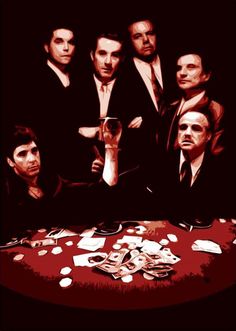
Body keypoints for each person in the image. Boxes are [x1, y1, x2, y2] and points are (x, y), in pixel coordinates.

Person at [1, 121, 122, 242]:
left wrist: (111, 147)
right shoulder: (7, 192)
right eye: (22, 154)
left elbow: (100, 191)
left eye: (34, 151)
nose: (32, 159)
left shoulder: (52, 182)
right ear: (10, 161)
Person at [107, 16, 171, 172]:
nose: (146, 40)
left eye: (150, 33)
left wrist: (147, 120)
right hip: (145, 164)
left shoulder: (175, 65)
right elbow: (118, 128)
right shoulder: (120, 75)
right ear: (129, 41)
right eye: (137, 36)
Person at [75, 31, 125, 177]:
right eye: (102, 53)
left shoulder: (134, 92)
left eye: (115, 55)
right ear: (92, 55)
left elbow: (140, 143)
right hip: (83, 177)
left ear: (121, 59)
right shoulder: (73, 92)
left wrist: (98, 131)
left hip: (122, 175)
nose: (108, 61)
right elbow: (64, 138)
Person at [162, 51, 225, 156]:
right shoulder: (168, 107)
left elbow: (216, 154)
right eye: (179, 68)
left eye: (191, 67)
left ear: (206, 75)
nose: (182, 73)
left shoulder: (216, 110)